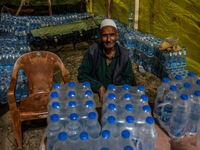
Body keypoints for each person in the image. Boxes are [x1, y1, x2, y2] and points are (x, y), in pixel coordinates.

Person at [78, 18, 136, 103]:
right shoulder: (92, 52)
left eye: (112, 35)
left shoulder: (124, 54)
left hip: (117, 93)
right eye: (105, 35)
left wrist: (115, 90)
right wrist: (99, 87)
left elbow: (128, 78)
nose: (109, 39)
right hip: (95, 92)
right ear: (100, 36)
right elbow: (82, 75)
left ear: (117, 36)